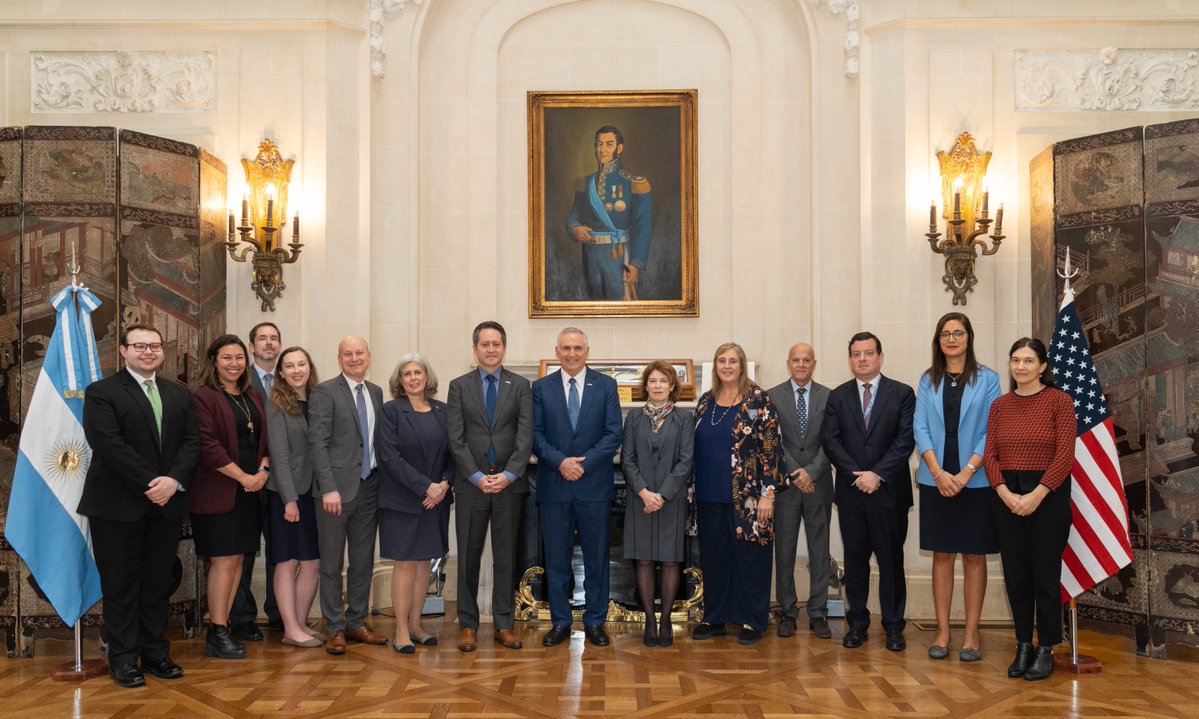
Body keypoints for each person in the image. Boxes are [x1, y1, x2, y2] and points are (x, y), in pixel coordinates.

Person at [79, 324, 199, 688]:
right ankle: (124, 660)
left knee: (156, 585)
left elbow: (193, 443)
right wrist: (153, 483)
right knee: (121, 587)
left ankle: (156, 655)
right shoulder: (102, 392)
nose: (148, 352)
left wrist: (173, 481)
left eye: (155, 346)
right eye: (140, 346)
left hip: (166, 506)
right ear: (123, 352)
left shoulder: (179, 394)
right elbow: (109, 444)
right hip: (117, 507)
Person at [984, 337, 1075, 681]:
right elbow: (990, 454)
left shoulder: (1060, 402)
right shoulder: (1000, 406)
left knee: (1045, 578)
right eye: (1015, 360)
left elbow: (1065, 454)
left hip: (1048, 498)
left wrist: (1037, 494)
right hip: (1006, 497)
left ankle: (1047, 647)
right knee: (1017, 577)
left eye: (1028, 360)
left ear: (1043, 366)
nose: (1020, 367)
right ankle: (1023, 644)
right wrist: (1006, 494)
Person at [914, 313, 1002, 662]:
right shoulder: (927, 380)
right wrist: (938, 473)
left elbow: (991, 429)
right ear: (938, 340)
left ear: (969, 337)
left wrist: (965, 474)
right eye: (945, 334)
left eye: (958, 333)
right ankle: (942, 631)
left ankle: (971, 634)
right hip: (936, 479)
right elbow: (919, 427)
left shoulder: (989, 379)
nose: (952, 339)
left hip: (975, 481)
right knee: (942, 554)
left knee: (974, 555)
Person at [822, 332, 915, 652]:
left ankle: (893, 627)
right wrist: (856, 476)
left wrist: (878, 475)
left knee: (891, 562)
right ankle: (857, 624)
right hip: (852, 495)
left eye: (869, 353)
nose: (862, 359)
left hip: (889, 494)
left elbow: (905, 440)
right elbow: (831, 442)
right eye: (856, 354)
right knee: (856, 562)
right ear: (850, 359)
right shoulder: (838, 397)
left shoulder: (902, 393)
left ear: (880, 357)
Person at [532, 327, 623, 647]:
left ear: (588, 351)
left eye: (578, 348)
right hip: (554, 485)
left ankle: (596, 621)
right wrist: (562, 463)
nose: (572, 353)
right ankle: (560, 622)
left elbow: (614, 434)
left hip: (593, 486)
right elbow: (535, 435)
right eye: (566, 348)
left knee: (597, 558)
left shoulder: (607, 386)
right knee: (556, 559)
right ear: (557, 351)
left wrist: (582, 465)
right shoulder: (541, 388)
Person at [446, 321, 533, 652]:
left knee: (505, 558)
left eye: (497, 344)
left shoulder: (521, 386)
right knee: (468, 556)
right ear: (475, 349)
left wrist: (508, 475)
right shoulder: (459, 386)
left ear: (504, 348)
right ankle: (468, 624)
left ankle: (504, 624)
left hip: (510, 486)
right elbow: (455, 438)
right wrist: (477, 477)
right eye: (485, 344)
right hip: (471, 486)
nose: (491, 349)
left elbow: (525, 437)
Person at [691, 342, 783, 646]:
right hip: (708, 495)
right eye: (721, 360)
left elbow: (772, 450)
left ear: (742, 365)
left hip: (749, 498)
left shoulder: (759, 400)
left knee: (751, 558)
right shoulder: (706, 401)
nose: (727, 366)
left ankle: (753, 619)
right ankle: (715, 617)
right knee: (715, 558)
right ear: (715, 366)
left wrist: (768, 494)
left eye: (733, 361)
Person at [190, 334, 270, 660]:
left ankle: (225, 627)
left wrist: (263, 471)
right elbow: (208, 446)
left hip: (250, 493)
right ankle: (217, 631)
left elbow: (264, 439)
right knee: (223, 562)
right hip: (218, 492)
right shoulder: (203, 397)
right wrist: (244, 477)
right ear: (214, 361)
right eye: (227, 358)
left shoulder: (251, 395)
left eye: (239, 358)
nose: (234, 363)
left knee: (238, 560)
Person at [309, 336, 389, 655]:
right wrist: (328, 487)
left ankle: (357, 621)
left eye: (359, 353)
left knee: (362, 561)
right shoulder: (325, 391)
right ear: (339, 358)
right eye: (348, 354)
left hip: (370, 488)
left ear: (369, 356)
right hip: (334, 492)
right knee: (331, 563)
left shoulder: (376, 392)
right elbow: (318, 443)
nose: (354, 358)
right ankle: (335, 627)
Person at [377, 353, 453, 654]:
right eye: (406, 373)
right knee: (405, 563)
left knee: (425, 564)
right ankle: (400, 631)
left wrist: (444, 485)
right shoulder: (391, 411)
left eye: (418, 372)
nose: (412, 378)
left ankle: (417, 625)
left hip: (436, 500)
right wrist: (427, 486)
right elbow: (389, 457)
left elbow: (455, 452)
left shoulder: (442, 411)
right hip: (403, 499)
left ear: (427, 377)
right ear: (399, 380)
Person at [621, 361, 694, 648]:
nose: (658, 386)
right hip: (640, 500)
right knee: (644, 559)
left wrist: (661, 495)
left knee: (670, 559)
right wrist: (644, 492)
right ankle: (649, 620)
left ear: (672, 386)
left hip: (671, 500)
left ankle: (666, 619)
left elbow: (686, 460)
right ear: (646, 386)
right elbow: (627, 459)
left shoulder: (684, 419)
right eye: (652, 381)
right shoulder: (634, 418)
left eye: (663, 381)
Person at [766, 343, 834, 640]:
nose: (801, 365)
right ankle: (788, 611)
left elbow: (833, 440)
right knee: (785, 550)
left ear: (814, 363)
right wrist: (797, 473)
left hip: (818, 484)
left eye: (807, 360)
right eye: (796, 360)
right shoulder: (772, 396)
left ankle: (818, 612)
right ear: (788, 363)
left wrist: (812, 472)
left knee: (820, 550)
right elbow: (771, 441)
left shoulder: (830, 397)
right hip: (786, 486)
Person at [264, 346, 324, 648]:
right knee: (287, 562)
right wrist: (289, 499)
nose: (297, 370)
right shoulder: (276, 404)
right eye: (290, 366)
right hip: (287, 495)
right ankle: (289, 628)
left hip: (313, 494)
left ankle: (300, 623)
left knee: (312, 563)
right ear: (282, 373)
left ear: (309, 368)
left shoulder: (317, 400)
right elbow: (280, 455)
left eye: (302, 364)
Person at [230, 321, 283, 641]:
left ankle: (279, 611)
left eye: (274, 339)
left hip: (282, 483)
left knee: (281, 551)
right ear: (251, 347)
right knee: (244, 553)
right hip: (246, 481)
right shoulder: (238, 380)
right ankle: (242, 617)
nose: (268, 344)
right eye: (262, 339)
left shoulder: (291, 379)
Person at [565, 125, 652, 301]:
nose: (603, 149)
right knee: (594, 303)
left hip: (618, 257)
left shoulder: (634, 184)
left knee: (619, 305)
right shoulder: (585, 183)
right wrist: (574, 228)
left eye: (609, 144)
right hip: (590, 255)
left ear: (619, 149)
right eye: (599, 144)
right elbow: (574, 215)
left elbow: (644, 228)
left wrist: (635, 264)